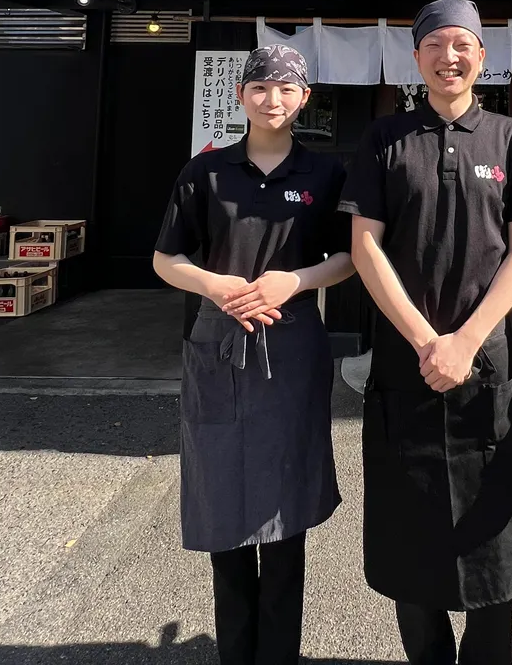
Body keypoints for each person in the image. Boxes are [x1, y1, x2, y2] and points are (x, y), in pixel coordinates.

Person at [340, 0, 512, 665]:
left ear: (482, 57)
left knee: (495, 528)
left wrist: (464, 340)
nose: (449, 56)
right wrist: (424, 339)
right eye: (435, 45)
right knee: (414, 536)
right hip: (405, 364)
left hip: (484, 364)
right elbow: (364, 245)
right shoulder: (384, 140)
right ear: (417, 59)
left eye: (463, 44)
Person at [152, 44, 354, 665]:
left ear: (304, 99)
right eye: (260, 88)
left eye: (286, 89)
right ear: (240, 97)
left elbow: (350, 258)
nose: (273, 100)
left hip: (292, 348)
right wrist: (216, 285)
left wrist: (294, 281)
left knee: (285, 511)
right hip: (216, 348)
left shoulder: (325, 176)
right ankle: (235, 653)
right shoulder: (204, 173)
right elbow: (166, 259)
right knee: (225, 508)